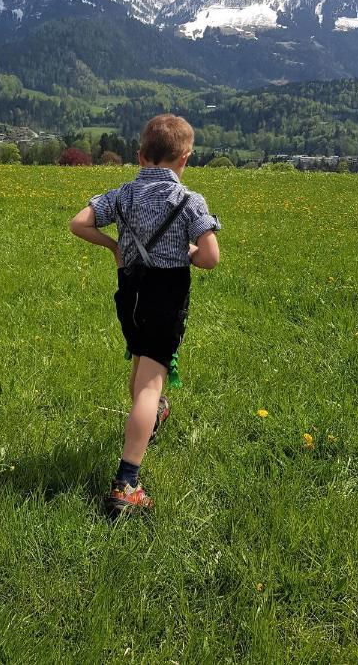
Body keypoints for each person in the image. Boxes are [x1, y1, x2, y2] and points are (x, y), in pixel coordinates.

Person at [69, 114, 221, 516]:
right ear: (185, 159)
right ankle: (127, 482)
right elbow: (210, 258)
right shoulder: (190, 201)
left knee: (142, 367)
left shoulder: (123, 195)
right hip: (165, 297)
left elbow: (79, 223)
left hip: (130, 294)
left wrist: (114, 248)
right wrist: (187, 252)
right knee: (151, 384)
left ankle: (152, 417)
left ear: (140, 155)